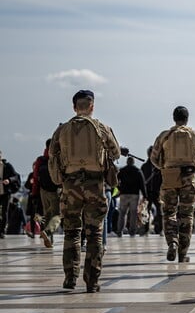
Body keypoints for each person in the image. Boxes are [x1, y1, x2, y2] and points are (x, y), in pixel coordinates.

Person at [48, 89, 120, 292]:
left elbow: (52, 153)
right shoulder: (101, 128)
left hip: (70, 186)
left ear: (73, 107)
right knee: (95, 233)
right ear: (92, 106)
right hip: (94, 185)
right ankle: (92, 280)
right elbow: (114, 153)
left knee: (71, 232)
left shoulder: (61, 130)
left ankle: (70, 277)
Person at [150, 106, 195, 263]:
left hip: (169, 177)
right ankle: (183, 252)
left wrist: (165, 168)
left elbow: (154, 157)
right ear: (187, 118)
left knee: (169, 212)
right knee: (186, 214)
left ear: (174, 118)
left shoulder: (165, 136)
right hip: (189, 176)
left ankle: (172, 241)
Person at [35, 139, 62, 248]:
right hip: (55, 190)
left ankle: (49, 240)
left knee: (47, 214)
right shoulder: (58, 157)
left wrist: (34, 193)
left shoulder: (40, 159)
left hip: (43, 190)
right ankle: (48, 232)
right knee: (57, 215)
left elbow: (36, 177)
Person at [114, 157, 146, 237]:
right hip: (134, 195)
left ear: (127, 162)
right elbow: (142, 184)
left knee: (122, 213)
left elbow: (116, 181)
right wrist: (145, 195)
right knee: (133, 214)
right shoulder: (138, 171)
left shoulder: (122, 171)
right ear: (133, 162)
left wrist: (120, 189)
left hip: (124, 194)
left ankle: (119, 231)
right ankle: (132, 231)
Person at [141, 146, 163, 235]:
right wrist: (143, 193)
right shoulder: (145, 166)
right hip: (147, 193)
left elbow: (163, 180)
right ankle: (146, 230)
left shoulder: (159, 166)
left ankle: (160, 229)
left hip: (157, 192)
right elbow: (141, 181)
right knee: (146, 212)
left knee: (160, 212)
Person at [0, 150, 21, 238]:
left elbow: (16, 176)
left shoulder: (7, 166)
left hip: (5, 193)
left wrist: (9, 180)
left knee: (4, 211)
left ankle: (2, 231)